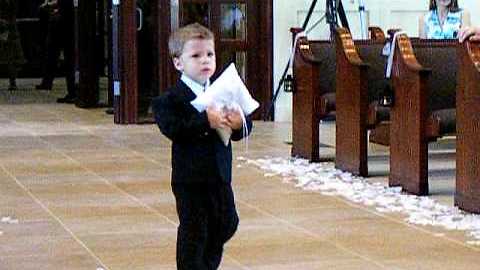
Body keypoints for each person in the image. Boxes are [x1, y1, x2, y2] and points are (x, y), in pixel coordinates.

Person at [152, 23, 253, 270]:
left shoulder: (222, 90)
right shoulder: (170, 99)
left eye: (209, 54)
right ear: (178, 63)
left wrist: (240, 124)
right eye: (196, 56)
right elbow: (173, 128)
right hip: (191, 180)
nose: (205, 60)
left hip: (219, 175)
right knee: (194, 231)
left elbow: (241, 127)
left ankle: (205, 265)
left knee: (227, 222)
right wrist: (204, 120)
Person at [36, 0, 76, 103]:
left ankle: (70, 91)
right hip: (65, 23)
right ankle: (70, 90)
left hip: (62, 24)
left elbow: (63, 4)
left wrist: (49, 5)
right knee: (64, 58)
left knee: (59, 56)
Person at [0, 0, 26, 90]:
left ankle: (12, 81)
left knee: (12, 56)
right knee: (10, 55)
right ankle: (12, 82)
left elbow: (13, 12)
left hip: (9, 27)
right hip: (6, 26)